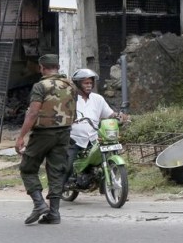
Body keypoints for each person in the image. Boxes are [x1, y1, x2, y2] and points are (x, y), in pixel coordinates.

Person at [15, 54, 76, 225]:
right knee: (56, 171)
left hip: (43, 133)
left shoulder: (40, 86)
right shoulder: (70, 84)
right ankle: (54, 213)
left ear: (42, 68)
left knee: (27, 168)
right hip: (64, 132)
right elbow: (74, 111)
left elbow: (33, 112)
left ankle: (39, 204)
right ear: (57, 66)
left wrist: (21, 137)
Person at [65, 68, 128, 187]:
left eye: (91, 83)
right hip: (74, 139)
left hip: (93, 138)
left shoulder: (98, 99)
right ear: (78, 84)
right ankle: (59, 189)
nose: (89, 85)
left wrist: (119, 116)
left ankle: (102, 180)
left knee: (103, 154)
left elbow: (109, 114)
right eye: (86, 83)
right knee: (67, 165)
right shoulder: (69, 99)